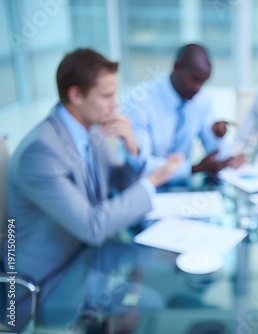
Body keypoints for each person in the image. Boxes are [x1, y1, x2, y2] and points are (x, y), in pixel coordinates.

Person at [5, 48, 183, 284]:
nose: (115, 104)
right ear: (76, 96)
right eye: (107, 96)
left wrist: (131, 146)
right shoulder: (39, 152)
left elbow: (120, 183)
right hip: (50, 280)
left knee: (166, 271)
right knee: (155, 288)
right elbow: (92, 227)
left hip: (87, 258)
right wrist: (152, 182)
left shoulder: (91, 130)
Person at [124, 44, 238, 186]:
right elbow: (140, 165)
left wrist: (218, 137)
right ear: (176, 67)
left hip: (184, 190)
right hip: (145, 189)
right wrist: (193, 168)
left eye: (203, 82)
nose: (198, 88)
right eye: (195, 80)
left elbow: (216, 155)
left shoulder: (202, 100)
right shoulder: (140, 101)